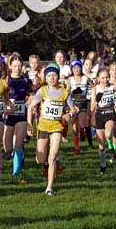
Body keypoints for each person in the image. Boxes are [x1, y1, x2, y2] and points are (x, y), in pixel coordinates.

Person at [27, 65, 76, 196]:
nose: (52, 78)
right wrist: (29, 123)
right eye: (49, 76)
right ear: (46, 78)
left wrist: (69, 115)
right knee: (40, 158)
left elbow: (73, 109)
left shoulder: (65, 92)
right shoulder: (42, 91)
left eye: (54, 75)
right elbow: (31, 106)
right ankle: (45, 164)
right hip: (43, 126)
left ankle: (49, 187)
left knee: (52, 156)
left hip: (57, 127)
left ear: (58, 76)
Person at [3, 55, 31, 177]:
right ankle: (9, 153)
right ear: (10, 66)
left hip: (21, 114)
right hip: (9, 114)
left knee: (19, 142)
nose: (17, 68)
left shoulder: (26, 80)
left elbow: (32, 93)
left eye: (19, 66)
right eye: (15, 66)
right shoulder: (6, 80)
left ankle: (15, 171)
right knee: (7, 144)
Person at [90, 68, 116, 174]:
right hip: (99, 116)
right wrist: (97, 100)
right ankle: (103, 164)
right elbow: (92, 107)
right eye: (103, 78)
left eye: (107, 77)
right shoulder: (95, 89)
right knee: (101, 145)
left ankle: (112, 149)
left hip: (110, 114)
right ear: (98, 78)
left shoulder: (112, 87)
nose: (105, 79)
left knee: (108, 134)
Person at [67, 60, 93, 154]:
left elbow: (93, 86)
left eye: (78, 67)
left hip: (83, 103)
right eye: (74, 68)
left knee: (81, 125)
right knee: (74, 128)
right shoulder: (70, 79)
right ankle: (77, 148)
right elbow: (67, 92)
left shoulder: (85, 78)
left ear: (81, 68)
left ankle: (82, 132)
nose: (76, 69)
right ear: (71, 69)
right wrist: (72, 93)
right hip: (74, 104)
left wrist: (91, 97)